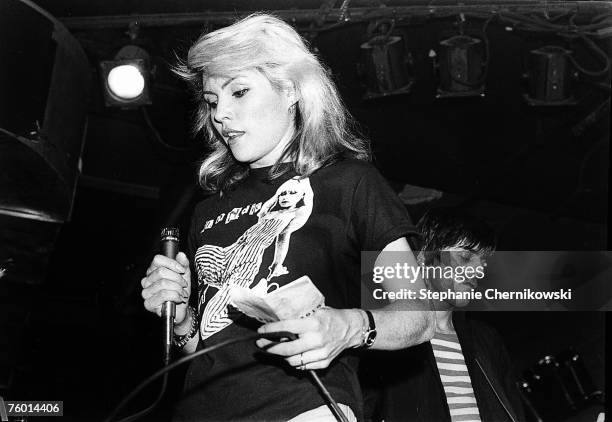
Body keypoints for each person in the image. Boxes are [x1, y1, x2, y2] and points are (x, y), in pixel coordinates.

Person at [140, 13, 433, 422]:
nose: (220, 114)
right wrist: (182, 318)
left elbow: (418, 317)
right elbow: (205, 347)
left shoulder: (350, 183)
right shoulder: (207, 211)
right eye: (212, 101)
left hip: (302, 409)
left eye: (238, 92)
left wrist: (347, 327)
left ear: (291, 89)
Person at [367, 207, 525, 422]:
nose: (477, 270)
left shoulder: (485, 340)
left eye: (483, 262)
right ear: (423, 258)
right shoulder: (387, 335)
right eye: (466, 257)